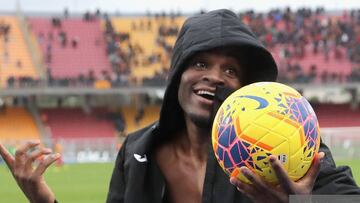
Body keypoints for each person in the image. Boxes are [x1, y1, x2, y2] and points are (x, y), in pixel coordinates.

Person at [0, 9, 359, 203]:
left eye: (230, 70)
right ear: (178, 73)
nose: (214, 77)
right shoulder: (137, 151)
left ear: (244, 87)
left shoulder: (284, 148)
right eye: (200, 64)